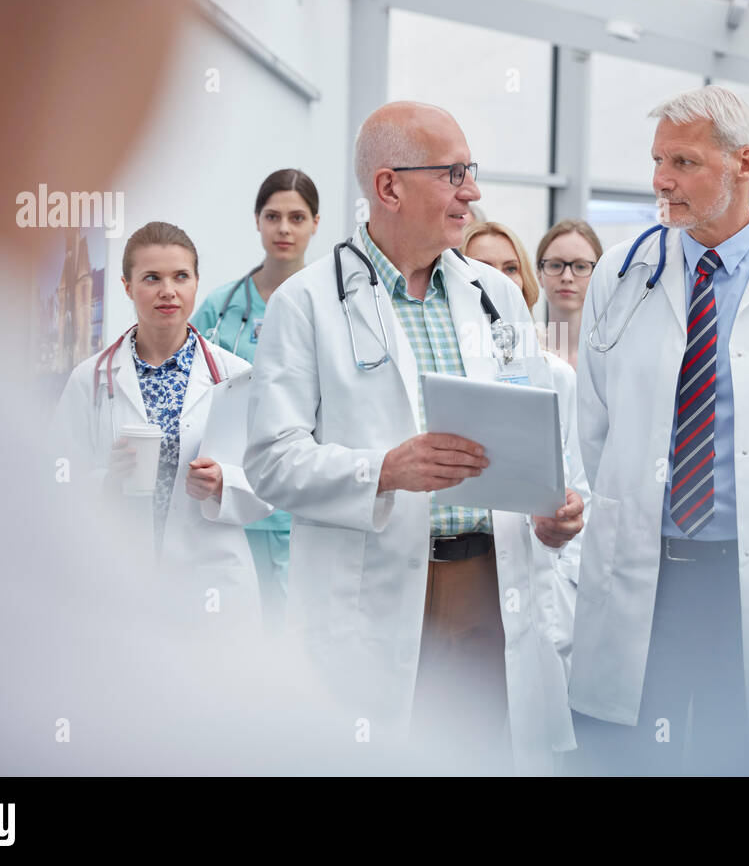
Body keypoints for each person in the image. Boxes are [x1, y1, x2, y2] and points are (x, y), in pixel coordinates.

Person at [244, 101, 583, 774]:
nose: (473, 192)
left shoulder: (497, 295)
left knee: (490, 757)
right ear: (389, 187)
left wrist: (556, 511)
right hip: (378, 591)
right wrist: (384, 470)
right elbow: (270, 461)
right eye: (454, 173)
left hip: (493, 581)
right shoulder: (306, 304)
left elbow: (538, 431)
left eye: (471, 172)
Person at [569, 85, 749, 774]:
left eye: (683, 160)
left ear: (743, 164)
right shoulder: (622, 272)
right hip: (645, 570)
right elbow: (596, 425)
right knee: (628, 754)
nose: (660, 180)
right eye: (656, 160)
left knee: (748, 753)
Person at [51, 222, 273, 631]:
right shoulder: (91, 379)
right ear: (126, 286)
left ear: (196, 284)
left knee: (212, 690)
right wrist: (107, 481)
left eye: (180, 277)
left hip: (210, 580)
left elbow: (270, 480)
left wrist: (224, 483)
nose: (167, 290)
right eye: (151, 278)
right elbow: (54, 482)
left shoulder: (235, 376)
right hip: (115, 580)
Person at [191, 169, 320, 631]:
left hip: (298, 500)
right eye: (273, 216)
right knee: (230, 631)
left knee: (290, 637)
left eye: (296, 217)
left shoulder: (329, 304)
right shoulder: (219, 306)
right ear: (257, 221)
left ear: (315, 224)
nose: (284, 228)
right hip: (230, 492)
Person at [462, 220, 590, 657]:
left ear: (527, 283)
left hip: (537, 575)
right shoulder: (438, 373)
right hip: (458, 575)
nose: (498, 280)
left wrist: (563, 554)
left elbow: (580, 489)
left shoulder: (556, 376)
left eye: (510, 268)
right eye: (481, 267)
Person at [535, 219, 603, 369]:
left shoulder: (610, 355)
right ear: (539, 274)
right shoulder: (524, 352)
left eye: (580, 266)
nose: (567, 277)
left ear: (598, 274)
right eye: (555, 265)